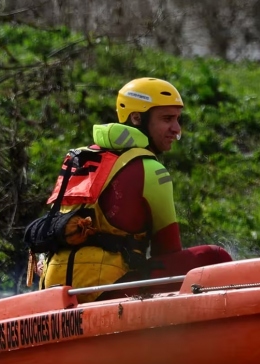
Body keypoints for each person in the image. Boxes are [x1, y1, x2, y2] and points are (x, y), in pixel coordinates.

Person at [37, 77, 232, 302]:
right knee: (213, 256)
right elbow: (167, 251)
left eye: (178, 119)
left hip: (55, 294)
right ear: (137, 118)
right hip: (106, 294)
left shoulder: (76, 159)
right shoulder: (150, 169)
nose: (177, 130)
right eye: (167, 119)